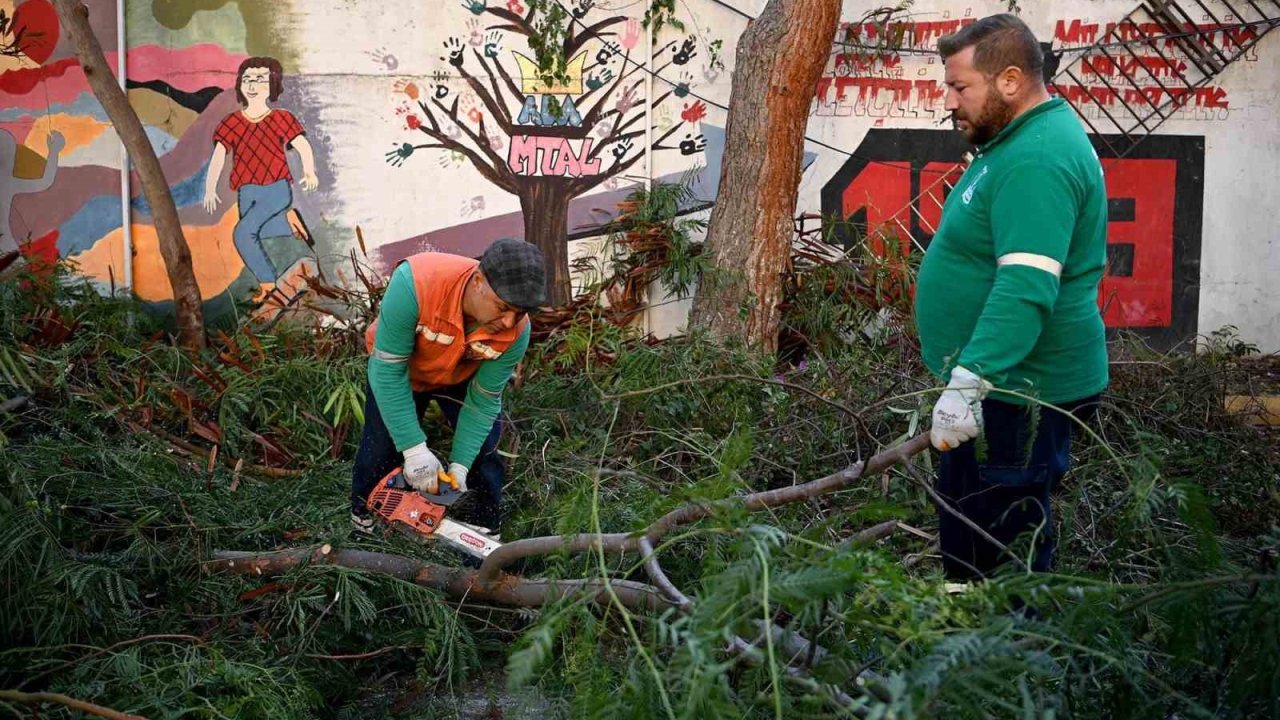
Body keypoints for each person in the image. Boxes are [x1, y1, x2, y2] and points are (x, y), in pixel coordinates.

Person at [915, 14, 1109, 580]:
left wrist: (969, 382)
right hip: (999, 386)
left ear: (1009, 81)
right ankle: (966, 637)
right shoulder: (1016, 140)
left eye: (959, 87)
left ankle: (1006, 655)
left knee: (1004, 546)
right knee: (971, 523)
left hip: (1019, 391)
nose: (949, 101)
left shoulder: (1037, 159)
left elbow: (1027, 288)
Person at [349, 238, 546, 539]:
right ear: (478, 281)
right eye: (503, 308)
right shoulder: (415, 283)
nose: (509, 321)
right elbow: (388, 372)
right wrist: (414, 451)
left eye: (519, 313)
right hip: (400, 373)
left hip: (460, 375)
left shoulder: (517, 331)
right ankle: (364, 521)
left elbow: (483, 400)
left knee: (485, 450)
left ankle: (483, 529)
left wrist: (460, 467)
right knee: (379, 449)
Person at [202, 56, 319, 296]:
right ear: (240, 85)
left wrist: (309, 171)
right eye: (247, 79)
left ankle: (267, 284)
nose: (252, 85)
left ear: (273, 85)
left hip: (275, 188)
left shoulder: (281, 118)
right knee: (256, 232)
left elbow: (302, 145)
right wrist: (210, 188)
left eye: (260, 80)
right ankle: (289, 223)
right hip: (246, 191)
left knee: (243, 234)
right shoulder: (231, 122)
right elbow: (219, 156)